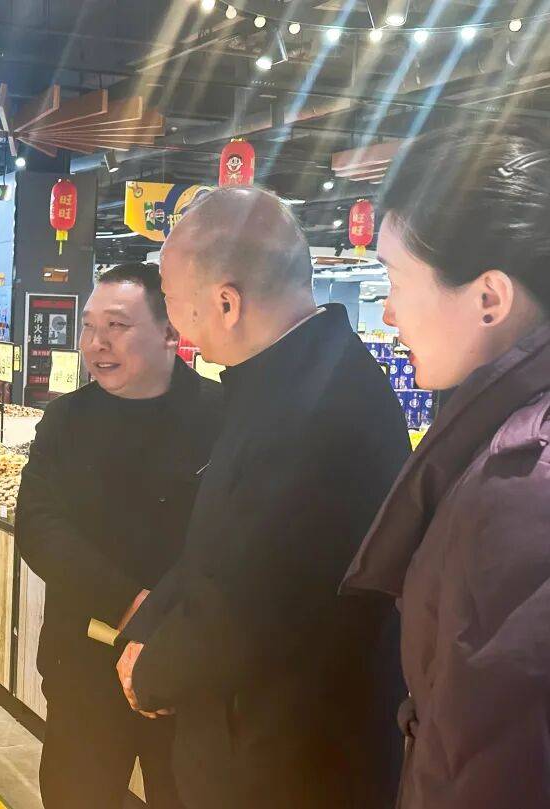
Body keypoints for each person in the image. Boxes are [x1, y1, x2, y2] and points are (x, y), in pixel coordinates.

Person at [116, 187, 410, 808]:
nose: (172, 324)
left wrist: (153, 671)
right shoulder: (294, 376)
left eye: (172, 301)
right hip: (262, 742)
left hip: (290, 763)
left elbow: (253, 606)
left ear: (226, 303)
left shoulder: (315, 409)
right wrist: (150, 625)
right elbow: (219, 548)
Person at [342, 124, 550, 809]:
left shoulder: (523, 482)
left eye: (395, 279)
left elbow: (492, 768)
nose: (388, 312)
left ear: (489, 298)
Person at [16, 264, 223, 809]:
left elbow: (232, 538)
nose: (96, 343)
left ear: (170, 330)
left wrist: (165, 618)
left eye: (117, 326)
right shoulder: (66, 419)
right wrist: (129, 602)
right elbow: (37, 524)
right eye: (89, 326)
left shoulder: (222, 417)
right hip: (82, 662)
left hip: (188, 663)